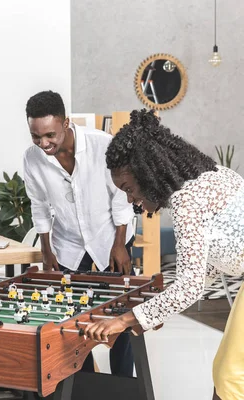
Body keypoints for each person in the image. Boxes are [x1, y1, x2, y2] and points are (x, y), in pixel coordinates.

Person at [84, 109, 244, 400]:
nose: (130, 200)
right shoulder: (206, 177)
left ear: (148, 172)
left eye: (129, 189)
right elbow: (203, 267)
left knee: (231, 377)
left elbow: (190, 284)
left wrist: (124, 321)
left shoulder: (188, 200)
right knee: (227, 372)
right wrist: (150, 313)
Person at [23, 90, 135, 377]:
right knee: (72, 319)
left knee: (120, 314)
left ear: (66, 123)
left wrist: (119, 243)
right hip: (69, 244)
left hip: (112, 237)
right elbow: (39, 206)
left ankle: (122, 384)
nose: (43, 143)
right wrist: (47, 251)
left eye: (49, 135)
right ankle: (84, 384)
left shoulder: (103, 145)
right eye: (36, 136)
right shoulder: (32, 158)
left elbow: (121, 195)